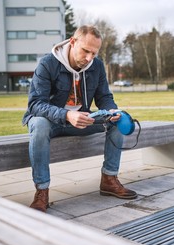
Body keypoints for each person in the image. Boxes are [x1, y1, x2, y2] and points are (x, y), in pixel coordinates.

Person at [22, 25, 137, 212]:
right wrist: (66, 114)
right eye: (85, 51)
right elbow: (35, 104)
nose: (89, 58)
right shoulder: (47, 64)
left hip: (83, 119)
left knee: (115, 120)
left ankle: (109, 179)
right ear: (73, 42)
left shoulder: (97, 66)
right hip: (52, 121)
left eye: (94, 53)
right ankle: (42, 191)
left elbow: (104, 98)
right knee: (40, 124)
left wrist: (112, 110)